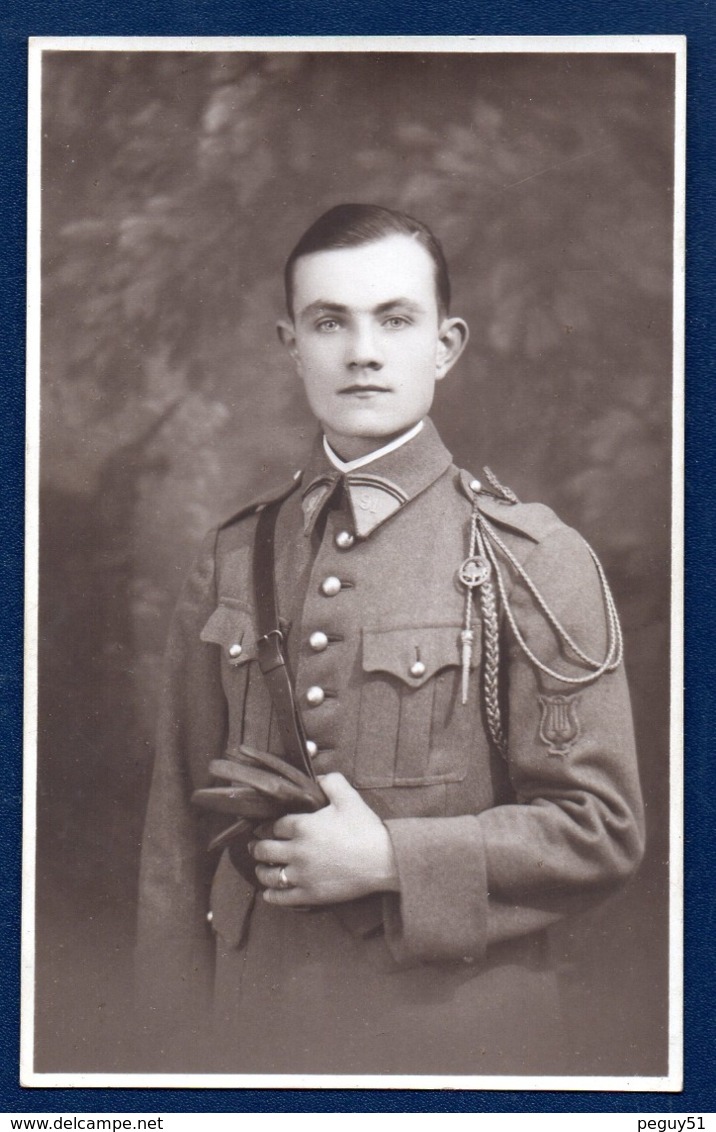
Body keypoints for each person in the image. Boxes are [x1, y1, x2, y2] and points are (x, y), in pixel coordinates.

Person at [136, 203, 644, 1076]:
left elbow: (599, 831)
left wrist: (390, 859)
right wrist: (167, 1056)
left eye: (395, 320)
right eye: (329, 322)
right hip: (257, 1040)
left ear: (445, 345)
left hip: (459, 1043)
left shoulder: (534, 561)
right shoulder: (232, 555)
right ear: (291, 342)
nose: (361, 352)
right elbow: (175, 842)